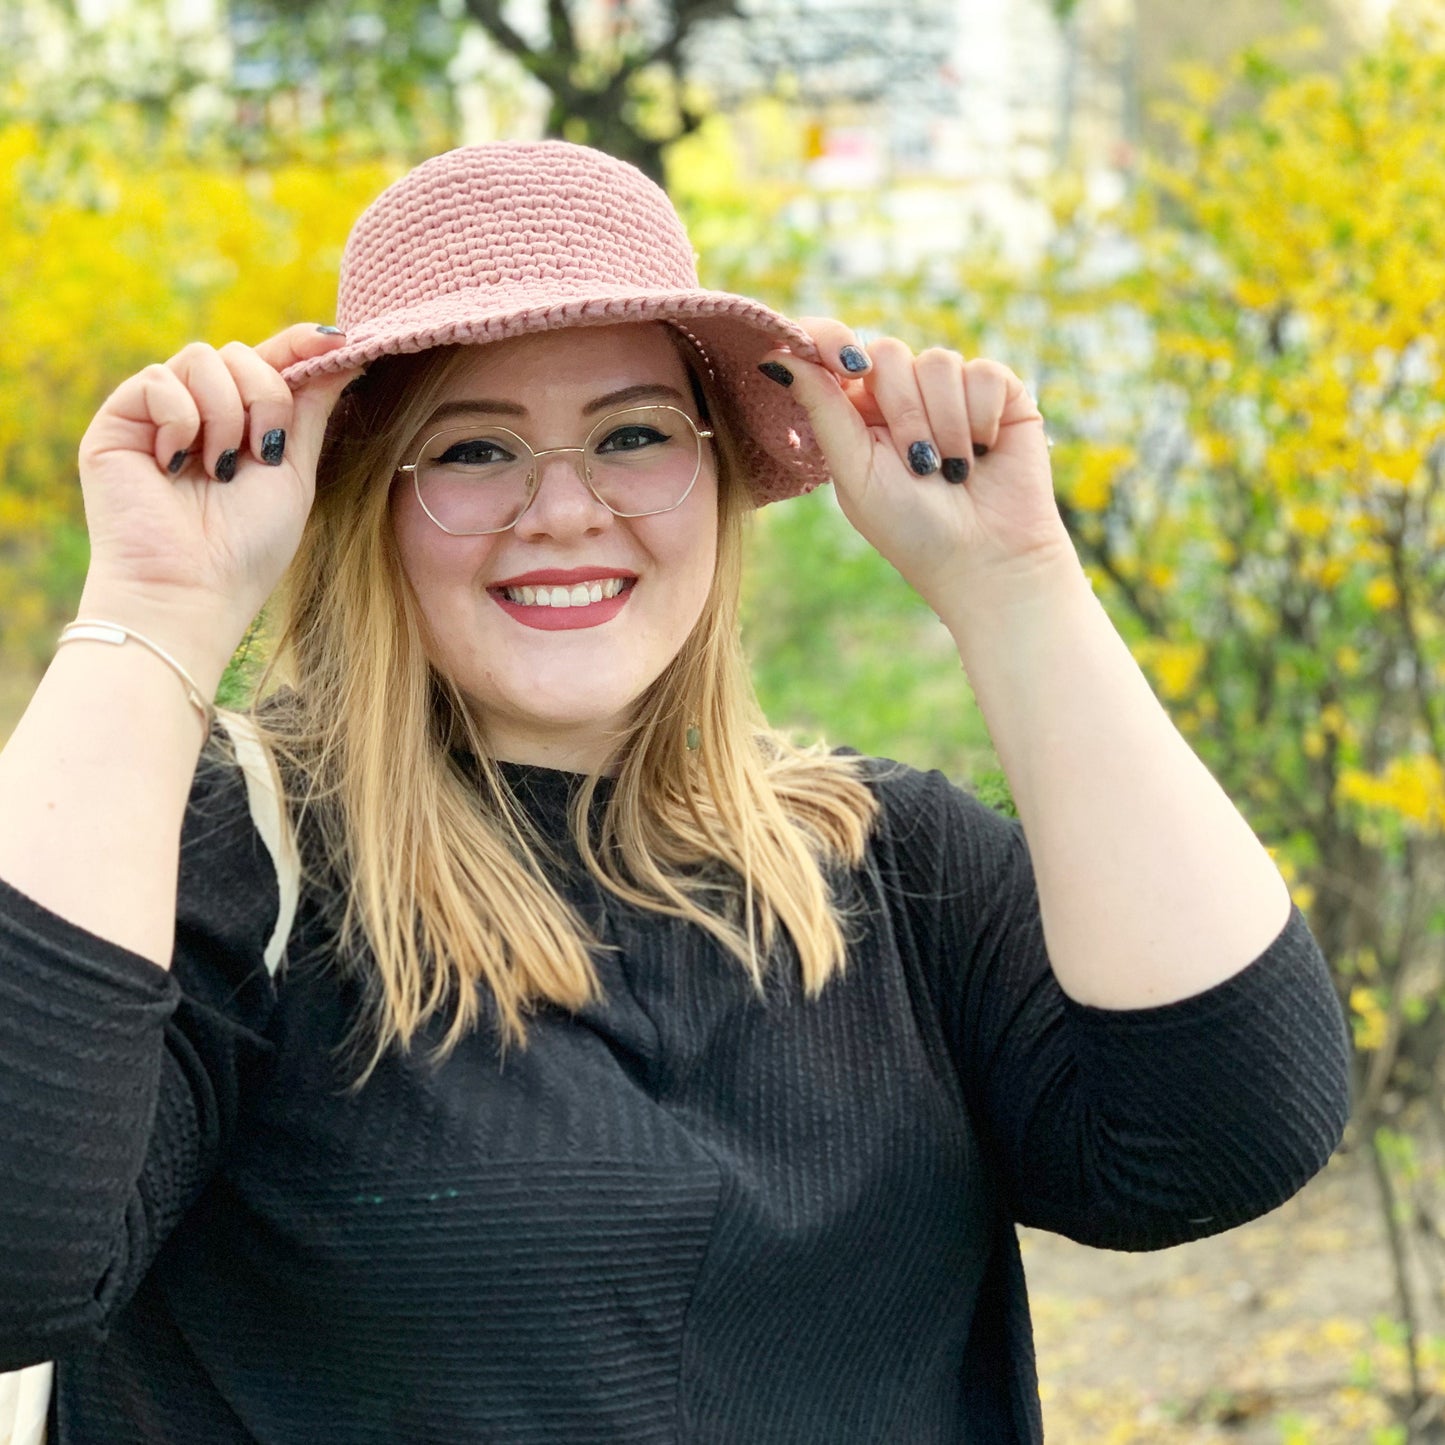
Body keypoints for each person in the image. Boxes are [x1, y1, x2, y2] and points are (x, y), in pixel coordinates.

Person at [0, 141, 1349, 1444]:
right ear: (362, 503)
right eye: (473, 450)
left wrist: (1014, 587)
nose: (567, 508)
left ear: (714, 474)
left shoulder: (889, 866)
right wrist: (156, 610)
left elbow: (1231, 1129)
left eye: (633, 434)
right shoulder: (230, 870)